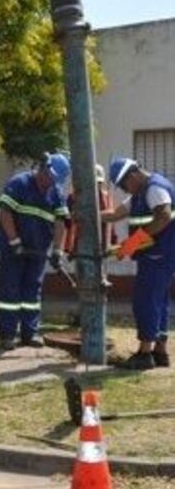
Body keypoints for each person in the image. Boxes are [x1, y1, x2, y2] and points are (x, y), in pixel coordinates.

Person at [102, 157, 175, 369]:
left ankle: (144, 354)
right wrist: (90, 214)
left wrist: (131, 244)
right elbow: (116, 214)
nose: (124, 190)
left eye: (124, 185)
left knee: (145, 301)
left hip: (158, 255)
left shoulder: (154, 188)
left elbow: (163, 216)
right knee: (159, 301)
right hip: (155, 256)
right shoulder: (140, 194)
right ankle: (159, 352)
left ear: (132, 175)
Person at [0, 153, 71, 349]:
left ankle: (30, 333)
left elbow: (60, 222)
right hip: (13, 249)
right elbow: (5, 213)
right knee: (10, 291)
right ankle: (7, 335)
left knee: (32, 292)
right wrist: (14, 241)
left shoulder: (56, 193)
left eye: (55, 180)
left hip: (38, 251)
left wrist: (57, 251)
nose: (50, 182)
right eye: (49, 177)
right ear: (43, 168)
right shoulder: (19, 183)